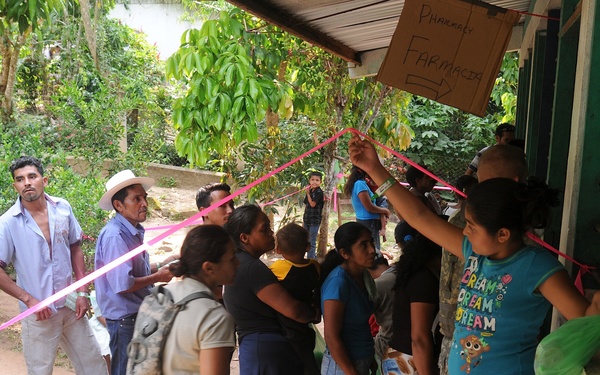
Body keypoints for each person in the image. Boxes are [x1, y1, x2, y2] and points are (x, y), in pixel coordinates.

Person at [348, 135, 600, 374]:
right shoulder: (474, 252)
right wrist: (375, 169)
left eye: (472, 226)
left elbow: (586, 324)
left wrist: (596, 309)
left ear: (502, 234)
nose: (464, 231)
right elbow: (419, 216)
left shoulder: (538, 267)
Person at [0, 156, 107, 374]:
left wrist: (83, 293)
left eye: (32, 176)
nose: (27, 183)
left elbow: (75, 247)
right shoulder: (8, 222)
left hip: (70, 306)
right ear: (15, 186)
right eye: (20, 179)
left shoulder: (63, 208)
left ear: (44, 180)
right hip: (39, 313)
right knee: (40, 371)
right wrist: (29, 300)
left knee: (94, 365)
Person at [94, 169, 177, 375]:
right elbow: (123, 284)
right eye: (136, 199)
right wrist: (158, 277)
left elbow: (132, 272)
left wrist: (161, 265)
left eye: (145, 198)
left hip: (135, 317)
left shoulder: (131, 231)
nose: (145, 204)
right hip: (125, 321)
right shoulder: (115, 236)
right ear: (119, 205)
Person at [223, 204, 319, 375]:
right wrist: (313, 313)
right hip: (267, 348)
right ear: (244, 238)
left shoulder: (239, 262)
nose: (271, 233)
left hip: (259, 348)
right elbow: (293, 310)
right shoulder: (251, 268)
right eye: (264, 229)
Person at [161, 225, 239, 375]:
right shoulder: (214, 317)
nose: (238, 263)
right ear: (209, 268)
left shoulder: (157, 296)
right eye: (232, 258)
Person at [320, 222, 378, 375]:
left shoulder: (363, 277)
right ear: (345, 254)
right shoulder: (338, 283)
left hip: (359, 361)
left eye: (371, 242)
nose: (372, 250)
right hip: (342, 367)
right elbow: (331, 337)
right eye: (363, 245)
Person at [385, 224, 442, 375]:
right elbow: (419, 338)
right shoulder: (424, 280)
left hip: (400, 356)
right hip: (410, 360)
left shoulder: (416, 273)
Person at [438, 175, 478, 375]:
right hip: (456, 326)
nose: (468, 231)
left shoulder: (459, 220)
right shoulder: (459, 222)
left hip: (460, 327)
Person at [270, 223, 321, 375]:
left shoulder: (280, 268)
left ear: (278, 249)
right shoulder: (315, 267)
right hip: (306, 322)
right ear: (308, 246)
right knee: (306, 355)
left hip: (286, 324)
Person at [344, 166, 391, 255]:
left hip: (367, 221)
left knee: (371, 249)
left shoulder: (360, 183)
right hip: (369, 222)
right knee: (373, 251)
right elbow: (369, 207)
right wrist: (385, 210)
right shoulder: (360, 184)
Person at [89, 290, 112, 373]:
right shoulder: (95, 294)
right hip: (103, 325)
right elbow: (99, 316)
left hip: (117, 321)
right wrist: (113, 328)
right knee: (105, 349)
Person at [303, 171, 325, 259]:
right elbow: (306, 202)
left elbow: (312, 204)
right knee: (305, 239)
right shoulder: (311, 191)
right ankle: (311, 257)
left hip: (314, 220)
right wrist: (308, 193)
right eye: (312, 180)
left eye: (317, 180)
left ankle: (310, 260)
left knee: (312, 241)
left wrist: (308, 194)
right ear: (309, 181)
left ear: (320, 182)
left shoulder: (319, 192)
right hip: (307, 219)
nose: (314, 182)